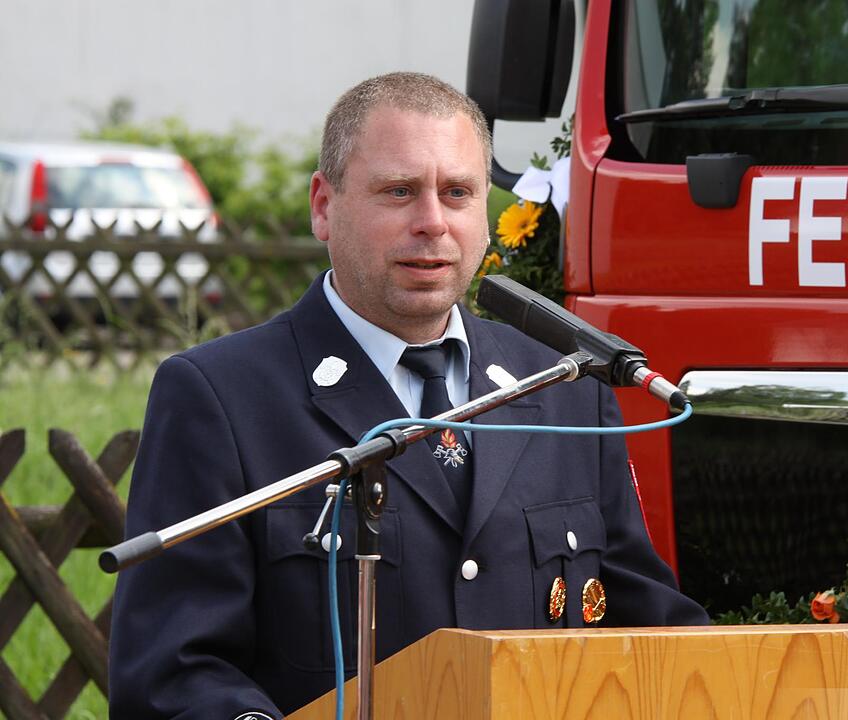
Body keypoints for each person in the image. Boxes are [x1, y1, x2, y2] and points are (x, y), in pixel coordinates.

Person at [108, 72, 709, 719]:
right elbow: (173, 673)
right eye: (398, 192)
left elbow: (642, 624)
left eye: (457, 193)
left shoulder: (565, 389)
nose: (432, 223)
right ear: (323, 205)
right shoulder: (221, 397)